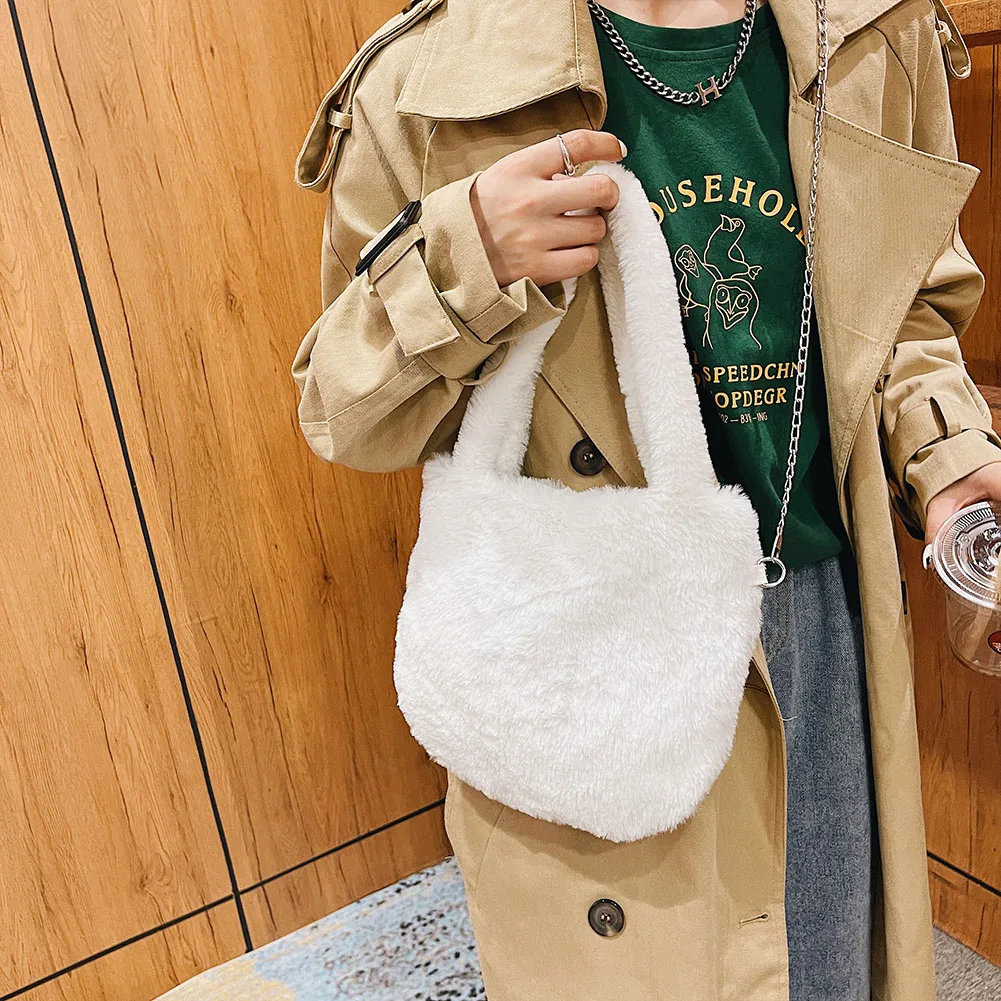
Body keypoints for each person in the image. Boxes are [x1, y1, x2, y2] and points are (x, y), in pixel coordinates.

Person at [290, 0, 1001, 998]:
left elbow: (907, 311)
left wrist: (950, 464)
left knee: (820, 965)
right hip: (588, 630)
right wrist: (465, 256)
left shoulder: (869, 31)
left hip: (814, 615)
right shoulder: (426, 78)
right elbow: (345, 413)